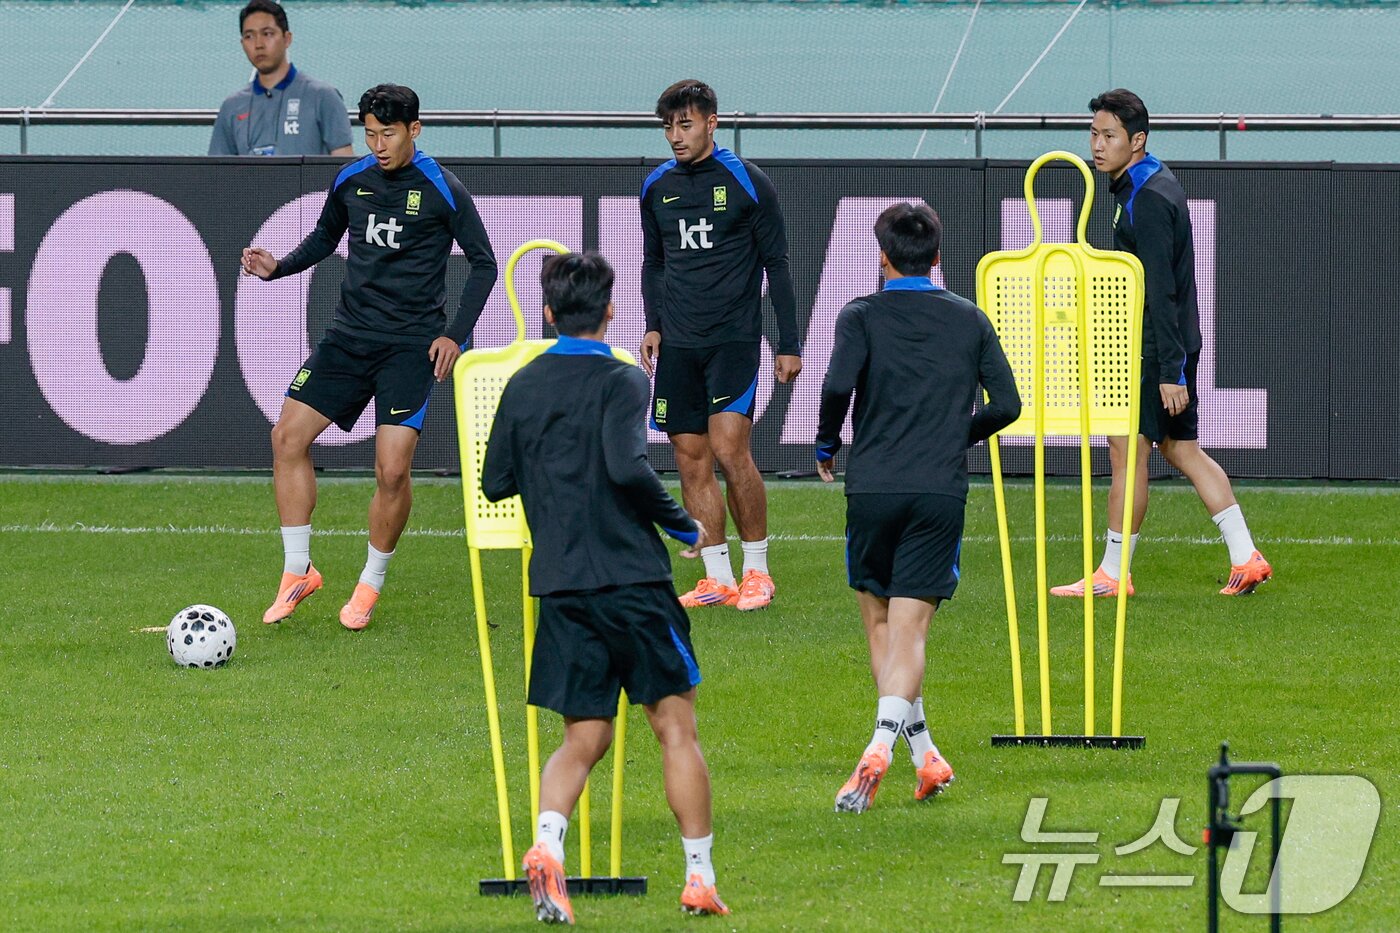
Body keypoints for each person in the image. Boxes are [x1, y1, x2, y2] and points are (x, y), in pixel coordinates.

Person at [482, 253, 729, 924]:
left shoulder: (523, 383)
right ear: (611, 310)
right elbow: (626, 464)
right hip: (633, 580)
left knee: (583, 736)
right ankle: (699, 877)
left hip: (561, 585)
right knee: (676, 728)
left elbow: (495, 481)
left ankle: (545, 844)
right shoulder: (624, 378)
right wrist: (683, 522)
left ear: (550, 313)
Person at [241, 83, 497, 630]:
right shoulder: (351, 179)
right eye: (371, 133)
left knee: (392, 470)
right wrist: (278, 266)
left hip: (410, 349)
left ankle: (370, 582)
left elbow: (484, 264)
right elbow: (323, 238)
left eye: (389, 133)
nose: (378, 144)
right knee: (286, 439)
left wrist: (454, 334)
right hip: (348, 338)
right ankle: (297, 571)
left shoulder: (441, 187)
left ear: (415, 130)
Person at [815, 203, 1021, 813]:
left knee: (880, 624)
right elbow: (1006, 405)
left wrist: (827, 444)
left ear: (882, 256)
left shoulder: (860, 315)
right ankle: (912, 751)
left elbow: (835, 387)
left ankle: (903, 750)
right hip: (938, 490)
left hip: (873, 486)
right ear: (937, 257)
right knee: (911, 631)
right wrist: (956, 431)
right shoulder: (970, 319)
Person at [1051, 89, 1272, 599]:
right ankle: (1247, 556)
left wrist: (1170, 371)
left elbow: (1161, 290)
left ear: (1138, 140)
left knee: (1127, 454)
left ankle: (1111, 574)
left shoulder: (1148, 198)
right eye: (1094, 134)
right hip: (1166, 343)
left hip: (1154, 349)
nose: (1097, 145)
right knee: (1183, 449)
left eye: (1109, 136)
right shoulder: (1149, 179)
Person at [639, 79, 801, 612]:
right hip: (679, 345)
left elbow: (776, 263)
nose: (675, 136)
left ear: (712, 122)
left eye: (685, 124)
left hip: (733, 339)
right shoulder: (656, 187)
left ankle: (758, 571)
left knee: (731, 451)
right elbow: (655, 262)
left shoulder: (748, 182)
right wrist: (654, 323)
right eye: (668, 126)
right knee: (689, 460)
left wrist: (788, 342)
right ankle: (717, 577)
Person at [209, 0, 354, 157]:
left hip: (309, 183)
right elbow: (217, 174)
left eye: (267, 34)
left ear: (287, 39)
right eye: (249, 36)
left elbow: (343, 165)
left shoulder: (322, 96)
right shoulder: (232, 106)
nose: (258, 44)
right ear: (242, 43)